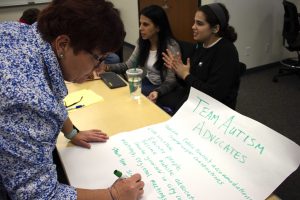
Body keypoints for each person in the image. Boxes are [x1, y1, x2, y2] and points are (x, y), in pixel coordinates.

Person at [0, 0, 144, 199]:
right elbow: (39, 195)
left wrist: (71, 132)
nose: (98, 68)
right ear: (63, 44)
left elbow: (50, 90)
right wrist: (114, 194)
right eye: (98, 58)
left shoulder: (18, 32)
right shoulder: (29, 100)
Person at [163, 3, 240, 112]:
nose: (193, 27)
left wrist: (185, 75)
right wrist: (178, 72)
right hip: (195, 101)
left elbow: (213, 94)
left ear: (215, 28)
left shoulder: (226, 51)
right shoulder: (201, 45)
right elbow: (190, 83)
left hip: (213, 111)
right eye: (194, 22)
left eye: (199, 23)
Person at [97, 5, 180, 104]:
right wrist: (105, 67)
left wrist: (158, 91)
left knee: (133, 101)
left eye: (145, 24)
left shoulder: (171, 47)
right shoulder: (143, 42)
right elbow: (128, 65)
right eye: (140, 24)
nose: (140, 28)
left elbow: (171, 80)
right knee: (124, 98)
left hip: (164, 89)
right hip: (148, 82)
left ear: (158, 27)